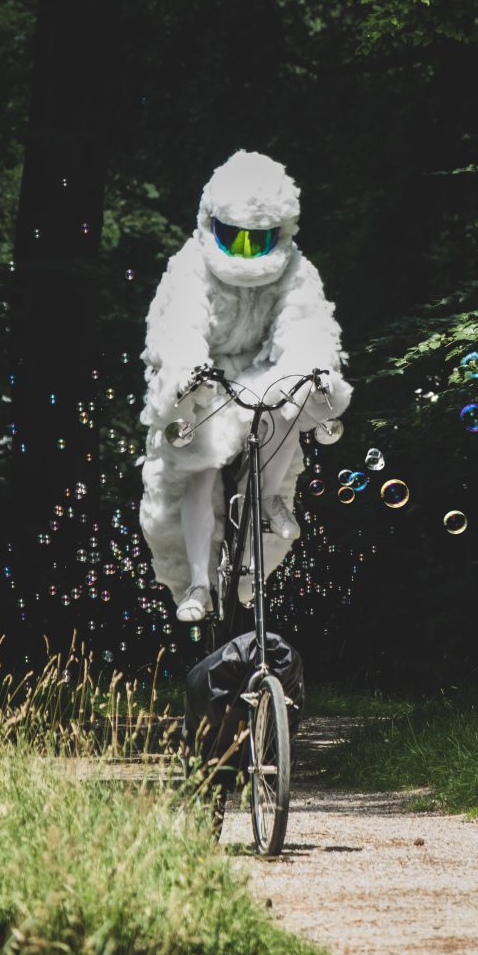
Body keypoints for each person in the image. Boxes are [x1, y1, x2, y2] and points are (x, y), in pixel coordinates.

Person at [139, 150, 352, 622]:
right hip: (207, 378)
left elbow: (307, 325)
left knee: (286, 406)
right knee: (199, 462)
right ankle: (198, 581)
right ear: (210, 223)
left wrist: (311, 372)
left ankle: (268, 497)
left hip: (257, 374)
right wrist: (186, 373)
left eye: (255, 243)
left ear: (279, 234)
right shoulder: (188, 265)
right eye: (230, 238)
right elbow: (177, 325)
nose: (241, 253)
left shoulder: (297, 270)